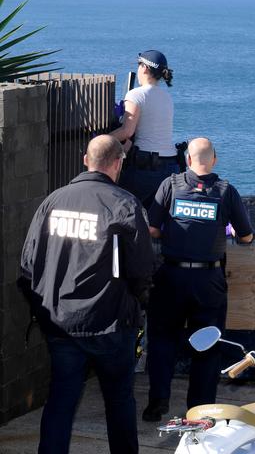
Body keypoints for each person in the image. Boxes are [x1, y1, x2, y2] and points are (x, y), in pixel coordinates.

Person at [19, 135, 155, 454]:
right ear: (118, 163)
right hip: (110, 323)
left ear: (85, 160)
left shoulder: (52, 202)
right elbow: (142, 269)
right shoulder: (124, 204)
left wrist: (44, 312)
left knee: (61, 401)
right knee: (119, 400)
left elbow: (27, 266)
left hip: (61, 323)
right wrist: (138, 304)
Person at [143, 137, 254, 422]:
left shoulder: (170, 185)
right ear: (214, 160)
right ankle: (200, 409)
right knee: (207, 343)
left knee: (162, 339)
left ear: (188, 160)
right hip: (209, 280)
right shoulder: (226, 192)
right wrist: (225, 229)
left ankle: (157, 401)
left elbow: (152, 229)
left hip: (171, 276)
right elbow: (246, 236)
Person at [111, 49, 179, 207]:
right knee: (157, 219)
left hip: (144, 168)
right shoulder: (166, 97)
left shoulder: (136, 95)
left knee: (129, 213)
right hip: (170, 166)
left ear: (145, 68)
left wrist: (102, 139)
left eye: (139, 64)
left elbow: (127, 131)